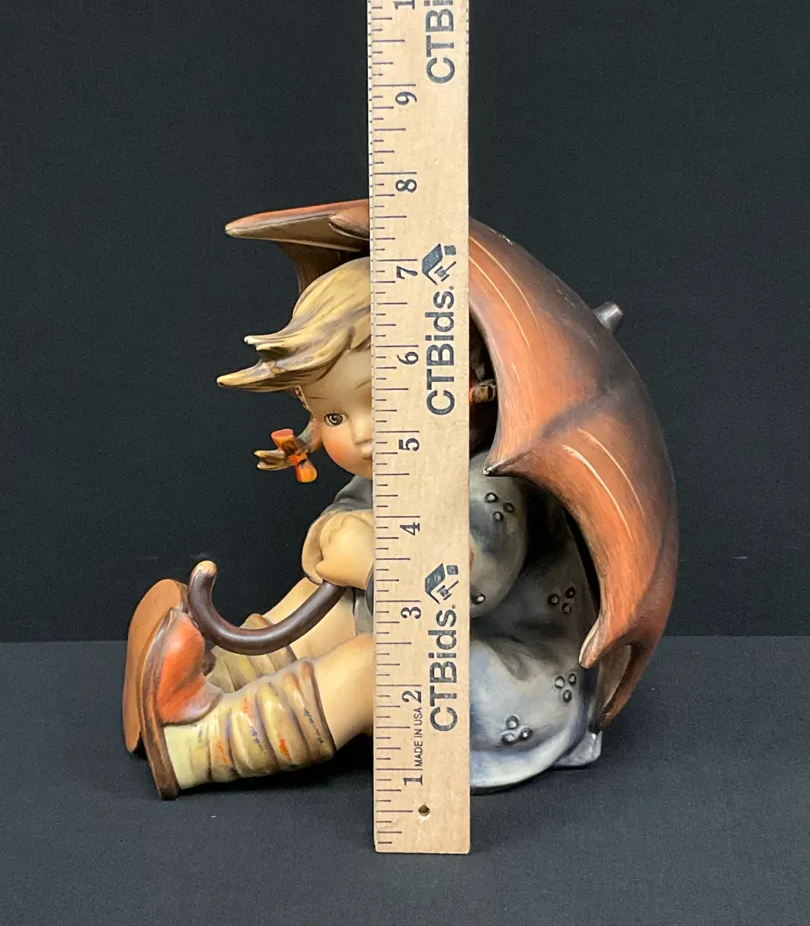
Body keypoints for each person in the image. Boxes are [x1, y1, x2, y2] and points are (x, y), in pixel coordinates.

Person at [124, 255, 603, 799]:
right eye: (333, 417)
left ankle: (205, 745)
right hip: (436, 637)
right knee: (342, 607)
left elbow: (457, 591)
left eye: (383, 399)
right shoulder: (397, 467)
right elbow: (348, 519)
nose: (361, 434)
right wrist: (334, 537)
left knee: (378, 664)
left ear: (469, 386)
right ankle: (220, 674)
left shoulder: (495, 487)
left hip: (512, 682)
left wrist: (372, 562)